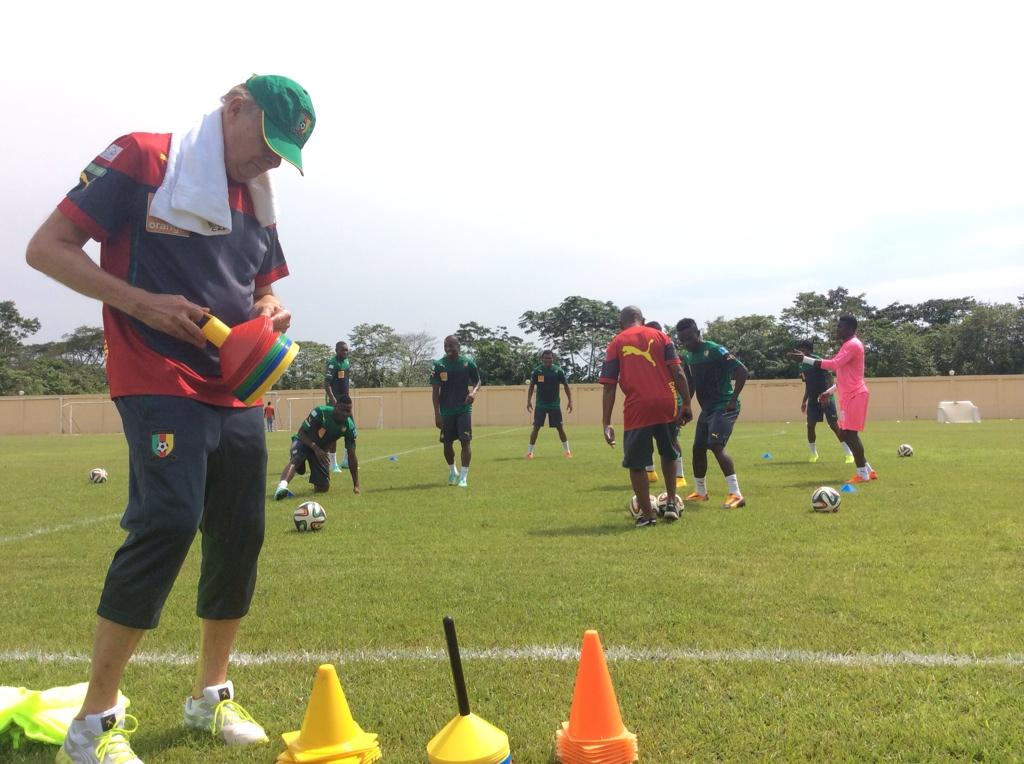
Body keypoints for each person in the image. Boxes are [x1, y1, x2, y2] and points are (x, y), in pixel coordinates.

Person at [26, 74, 316, 763]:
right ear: (235, 107)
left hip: (236, 386)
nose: (273, 161)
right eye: (268, 141)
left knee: (240, 533)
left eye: (285, 153)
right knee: (168, 521)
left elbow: (263, 285)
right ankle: (92, 725)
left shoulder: (257, 197)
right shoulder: (143, 158)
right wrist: (140, 302)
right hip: (155, 373)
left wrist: (269, 309)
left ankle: (210, 696)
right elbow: (47, 247)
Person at [599, 306, 692, 527]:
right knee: (668, 453)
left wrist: (606, 422)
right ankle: (671, 503)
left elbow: (609, 386)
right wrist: (687, 403)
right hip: (666, 403)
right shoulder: (662, 336)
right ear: (643, 319)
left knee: (637, 464)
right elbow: (678, 372)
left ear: (620, 324)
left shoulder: (616, 343)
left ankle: (648, 516)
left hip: (638, 408)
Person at [788, 316, 876, 484]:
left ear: (850, 329)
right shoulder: (847, 345)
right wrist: (828, 392)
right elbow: (843, 377)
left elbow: (834, 364)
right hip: (849, 396)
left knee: (850, 434)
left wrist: (804, 359)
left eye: (840, 327)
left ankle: (862, 474)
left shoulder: (853, 345)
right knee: (844, 433)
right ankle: (869, 471)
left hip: (855, 395)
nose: (837, 330)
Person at [675, 318, 749, 509]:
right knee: (698, 449)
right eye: (683, 341)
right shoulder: (689, 357)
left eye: (690, 339)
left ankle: (736, 494)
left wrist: (733, 399)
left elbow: (742, 371)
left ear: (698, 333)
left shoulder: (715, 350)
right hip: (708, 410)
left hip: (724, 405)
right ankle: (701, 492)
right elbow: (690, 384)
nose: (687, 344)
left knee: (715, 445)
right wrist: (685, 406)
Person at [274, 396, 359, 498]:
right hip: (303, 442)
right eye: (342, 410)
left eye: (348, 411)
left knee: (323, 488)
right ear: (336, 406)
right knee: (298, 457)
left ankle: (309, 475)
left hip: (320, 451)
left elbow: (351, 455)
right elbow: (301, 433)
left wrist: (356, 484)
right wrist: (315, 448)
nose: (345, 414)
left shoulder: (349, 426)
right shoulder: (320, 412)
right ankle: (281, 487)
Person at [431, 335, 481, 487]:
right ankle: (453, 471)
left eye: (451, 345)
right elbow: (435, 391)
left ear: (458, 346)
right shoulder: (439, 365)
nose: (448, 348)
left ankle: (464, 477)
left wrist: (473, 393)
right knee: (447, 444)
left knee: (465, 441)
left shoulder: (467, 363)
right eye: (446, 345)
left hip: (463, 408)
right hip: (446, 411)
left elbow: (478, 381)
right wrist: (437, 414)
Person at [793, 339, 853, 464]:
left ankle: (849, 454)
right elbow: (808, 385)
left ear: (808, 350)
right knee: (810, 425)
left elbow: (830, 378)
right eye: (798, 349)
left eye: (802, 349)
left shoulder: (817, 360)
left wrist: (828, 395)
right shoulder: (801, 365)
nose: (799, 351)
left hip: (826, 398)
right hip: (813, 400)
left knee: (834, 426)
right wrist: (804, 401)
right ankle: (813, 454)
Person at [644, 321, 688, 488]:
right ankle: (650, 472)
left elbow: (680, 376)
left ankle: (679, 475)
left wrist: (685, 402)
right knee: (645, 436)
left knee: (672, 438)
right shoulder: (644, 356)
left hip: (671, 401)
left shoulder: (669, 351)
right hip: (648, 401)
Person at [526, 350, 573, 459]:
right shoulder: (537, 371)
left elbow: (566, 386)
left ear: (553, 359)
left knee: (560, 428)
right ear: (542, 359)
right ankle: (530, 452)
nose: (548, 360)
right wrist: (528, 401)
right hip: (540, 405)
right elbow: (531, 386)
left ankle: (568, 451)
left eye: (550, 358)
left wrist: (570, 401)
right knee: (536, 428)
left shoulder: (558, 371)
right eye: (546, 358)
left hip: (554, 405)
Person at [324, 341, 352, 472]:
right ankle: (333, 463)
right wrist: (333, 399)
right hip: (335, 402)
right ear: (336, 350)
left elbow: (345, 382)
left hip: (345, 401)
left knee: (350, 429)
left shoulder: (347, 362)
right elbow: (326, 383)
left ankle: (346, 460)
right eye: (342, 350)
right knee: (334, 431)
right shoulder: (332, 363)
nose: (345, 352)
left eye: (346, 350)